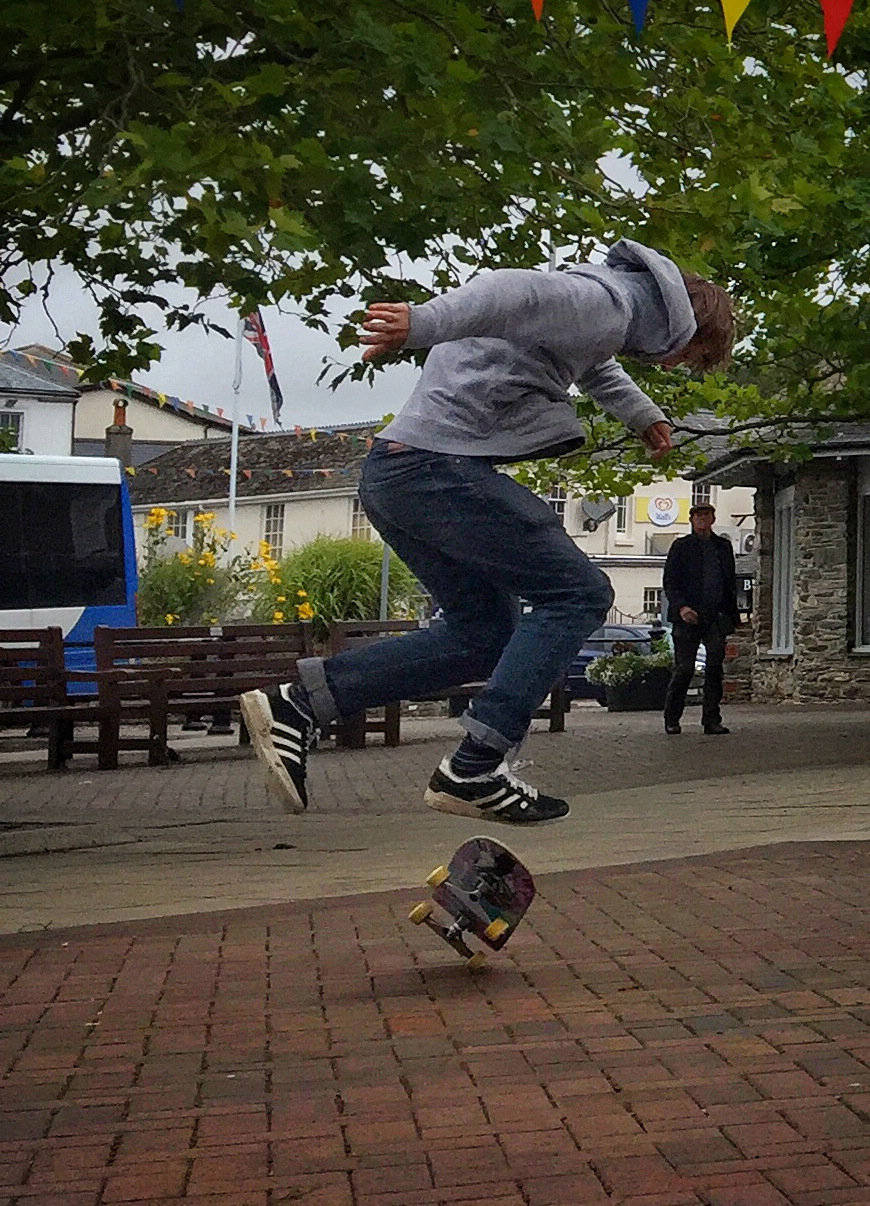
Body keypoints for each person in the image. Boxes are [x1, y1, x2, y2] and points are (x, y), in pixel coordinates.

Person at [239, 241, 734, 823]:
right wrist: (421, 323)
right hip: (434, 470)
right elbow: (513, 292)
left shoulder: (605, 319)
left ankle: (299, 705)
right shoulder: (608, 303)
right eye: (690, 356)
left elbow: (596, 367)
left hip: (398, 474)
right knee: (580, 592)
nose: (674, 365)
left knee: (486, 632)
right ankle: (476, 766)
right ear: (685, 327)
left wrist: (643, 414)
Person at [662, 503, 739, 736]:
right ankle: (672, 718)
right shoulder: (681, 547)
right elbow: (670, 582)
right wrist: (682, 607)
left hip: (715, 616)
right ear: (692, 520)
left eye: (707, 515)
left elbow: (729, 583)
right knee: (684, 669)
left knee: (715, 667)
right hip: (687, 617)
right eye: (698, 516)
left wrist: (731, 614)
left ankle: (711, 720)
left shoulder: (722, 547)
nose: (703, 520)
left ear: (713, 518)